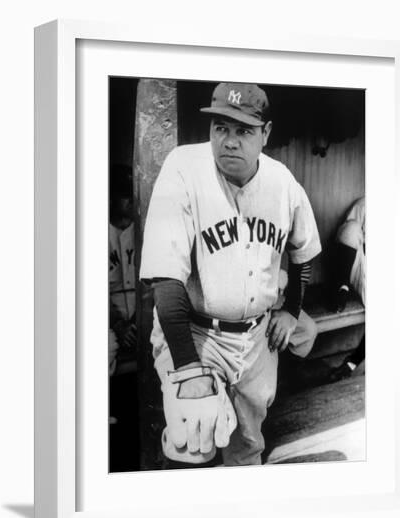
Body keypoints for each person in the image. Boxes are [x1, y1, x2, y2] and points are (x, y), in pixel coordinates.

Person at [140, 82, 321, 466]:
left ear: (265, 133)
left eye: (243, 130)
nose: (230, 141)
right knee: (192, 441)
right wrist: (189, 369)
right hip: (195, 330)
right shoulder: (184, 168)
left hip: (256, 340)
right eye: (221, 127)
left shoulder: (282, 181)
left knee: (247, 448)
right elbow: (166, 278)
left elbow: (303, 251)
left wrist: (292, 310)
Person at [330, 197, 365, 380]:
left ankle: (351, 364)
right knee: (351, 228)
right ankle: (341, 287)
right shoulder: (365, 203)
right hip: (361, 265)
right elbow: (345, 235)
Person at [109, 164, 137, 374]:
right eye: (124, 195)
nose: (130, 200)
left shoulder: (144, 230)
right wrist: (118, 325)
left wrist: (137, 323)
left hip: (141, 320)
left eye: (131, 194)